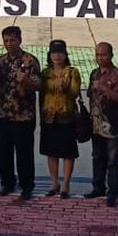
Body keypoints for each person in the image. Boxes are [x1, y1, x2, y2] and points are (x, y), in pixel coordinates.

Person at [0, 25, 42, 197]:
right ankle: (7, 183)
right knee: (4, 153)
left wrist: (25, 80)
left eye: (12, 40)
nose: (9, 43)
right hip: (4, 113)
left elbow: (38, 85)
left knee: (24, 153)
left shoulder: (30, 61)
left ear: (20, 40)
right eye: (6, 40)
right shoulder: (0, 61)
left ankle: (27, 186)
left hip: (23, 115)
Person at [39, 40, 81, 200]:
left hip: (66, 116)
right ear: (50, 55)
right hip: (49, 116)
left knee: (67, 152)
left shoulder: (72, 72)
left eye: (60, 52)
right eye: (54, 52)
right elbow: (41, 96)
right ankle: (54, 182)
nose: (57, 55)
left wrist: (65, 88)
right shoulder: (45, 73)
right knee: (51, 151)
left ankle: (66, 184)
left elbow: (75, 93)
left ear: (65, 54)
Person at [87, 42, 118, 206]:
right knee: (97, 157)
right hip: (96, 124)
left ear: (111, 55)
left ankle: (113, 192)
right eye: (97, 54)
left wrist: (104, 88)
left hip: (112, 125)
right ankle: (98, 187)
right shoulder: (94, 73)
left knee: (113, 160)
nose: (100, 58)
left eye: (103, 54)